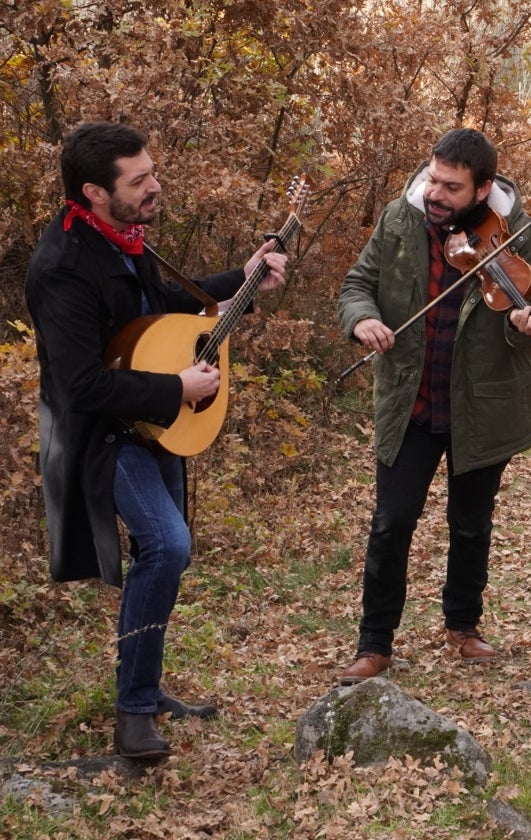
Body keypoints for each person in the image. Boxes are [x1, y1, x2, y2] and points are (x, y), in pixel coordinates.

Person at [25, 121, 287, 760]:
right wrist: (176, 389)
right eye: (138, 179)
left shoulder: (124, 238)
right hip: (100, 435)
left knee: (164, 554)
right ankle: (133, 714)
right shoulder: (62, 267)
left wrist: (238, 279)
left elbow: (161, 309)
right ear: (93, 190)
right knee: (168, 546)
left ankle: (142, 680)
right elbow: (82, 384)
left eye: (152, 171)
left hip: (150, 425)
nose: (154, 186)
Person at [335, 127, 531, 684]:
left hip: (480, 406)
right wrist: (362, 318)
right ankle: (375, 644)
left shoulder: (516, 235)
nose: (435, 194)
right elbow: (358, 282)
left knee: (471, 523)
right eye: (433, 179)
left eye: (451, 188)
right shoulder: (399, 219)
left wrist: (527, 323)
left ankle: (463, 625)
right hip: (410, 401)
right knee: (392, 521)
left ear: (482, 191)